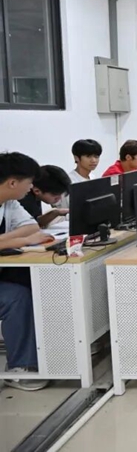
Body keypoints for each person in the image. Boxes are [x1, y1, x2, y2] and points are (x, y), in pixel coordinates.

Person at [0, 152, 53, 391]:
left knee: (37, 282)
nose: (31, 187)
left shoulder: (9, 203)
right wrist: (18, 241)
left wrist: (7, 240)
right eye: (29, 182)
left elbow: (32, 227)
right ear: (13, 183)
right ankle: (21, 366)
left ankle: (49, 350)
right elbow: (28, 235)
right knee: (16, 297)